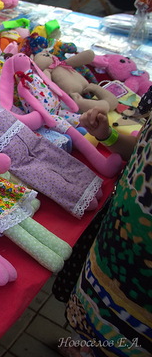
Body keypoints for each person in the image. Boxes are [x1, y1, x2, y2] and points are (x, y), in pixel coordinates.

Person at [60, 99, 152, 357]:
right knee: (94, 321)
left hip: (144, 287)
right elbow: (143, 149)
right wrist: (107, 135)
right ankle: (83, 348)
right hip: (113, 247)